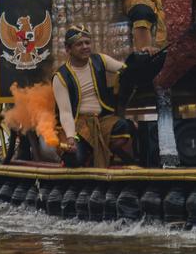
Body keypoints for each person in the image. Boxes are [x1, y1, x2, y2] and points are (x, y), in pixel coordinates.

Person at [51, 26, 135, 167]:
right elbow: (65, 113)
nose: (85, 47)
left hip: (101, 121)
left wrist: (140, 59)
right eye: (79, 44)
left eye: (87, 42)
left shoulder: (100, 60)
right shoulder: (60, 77)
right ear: (68, 49)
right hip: (76, 126)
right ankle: (89, 152)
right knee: (74, 160)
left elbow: (125, 69)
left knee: (125, 128)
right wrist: (70, 138)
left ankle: (94, 152)